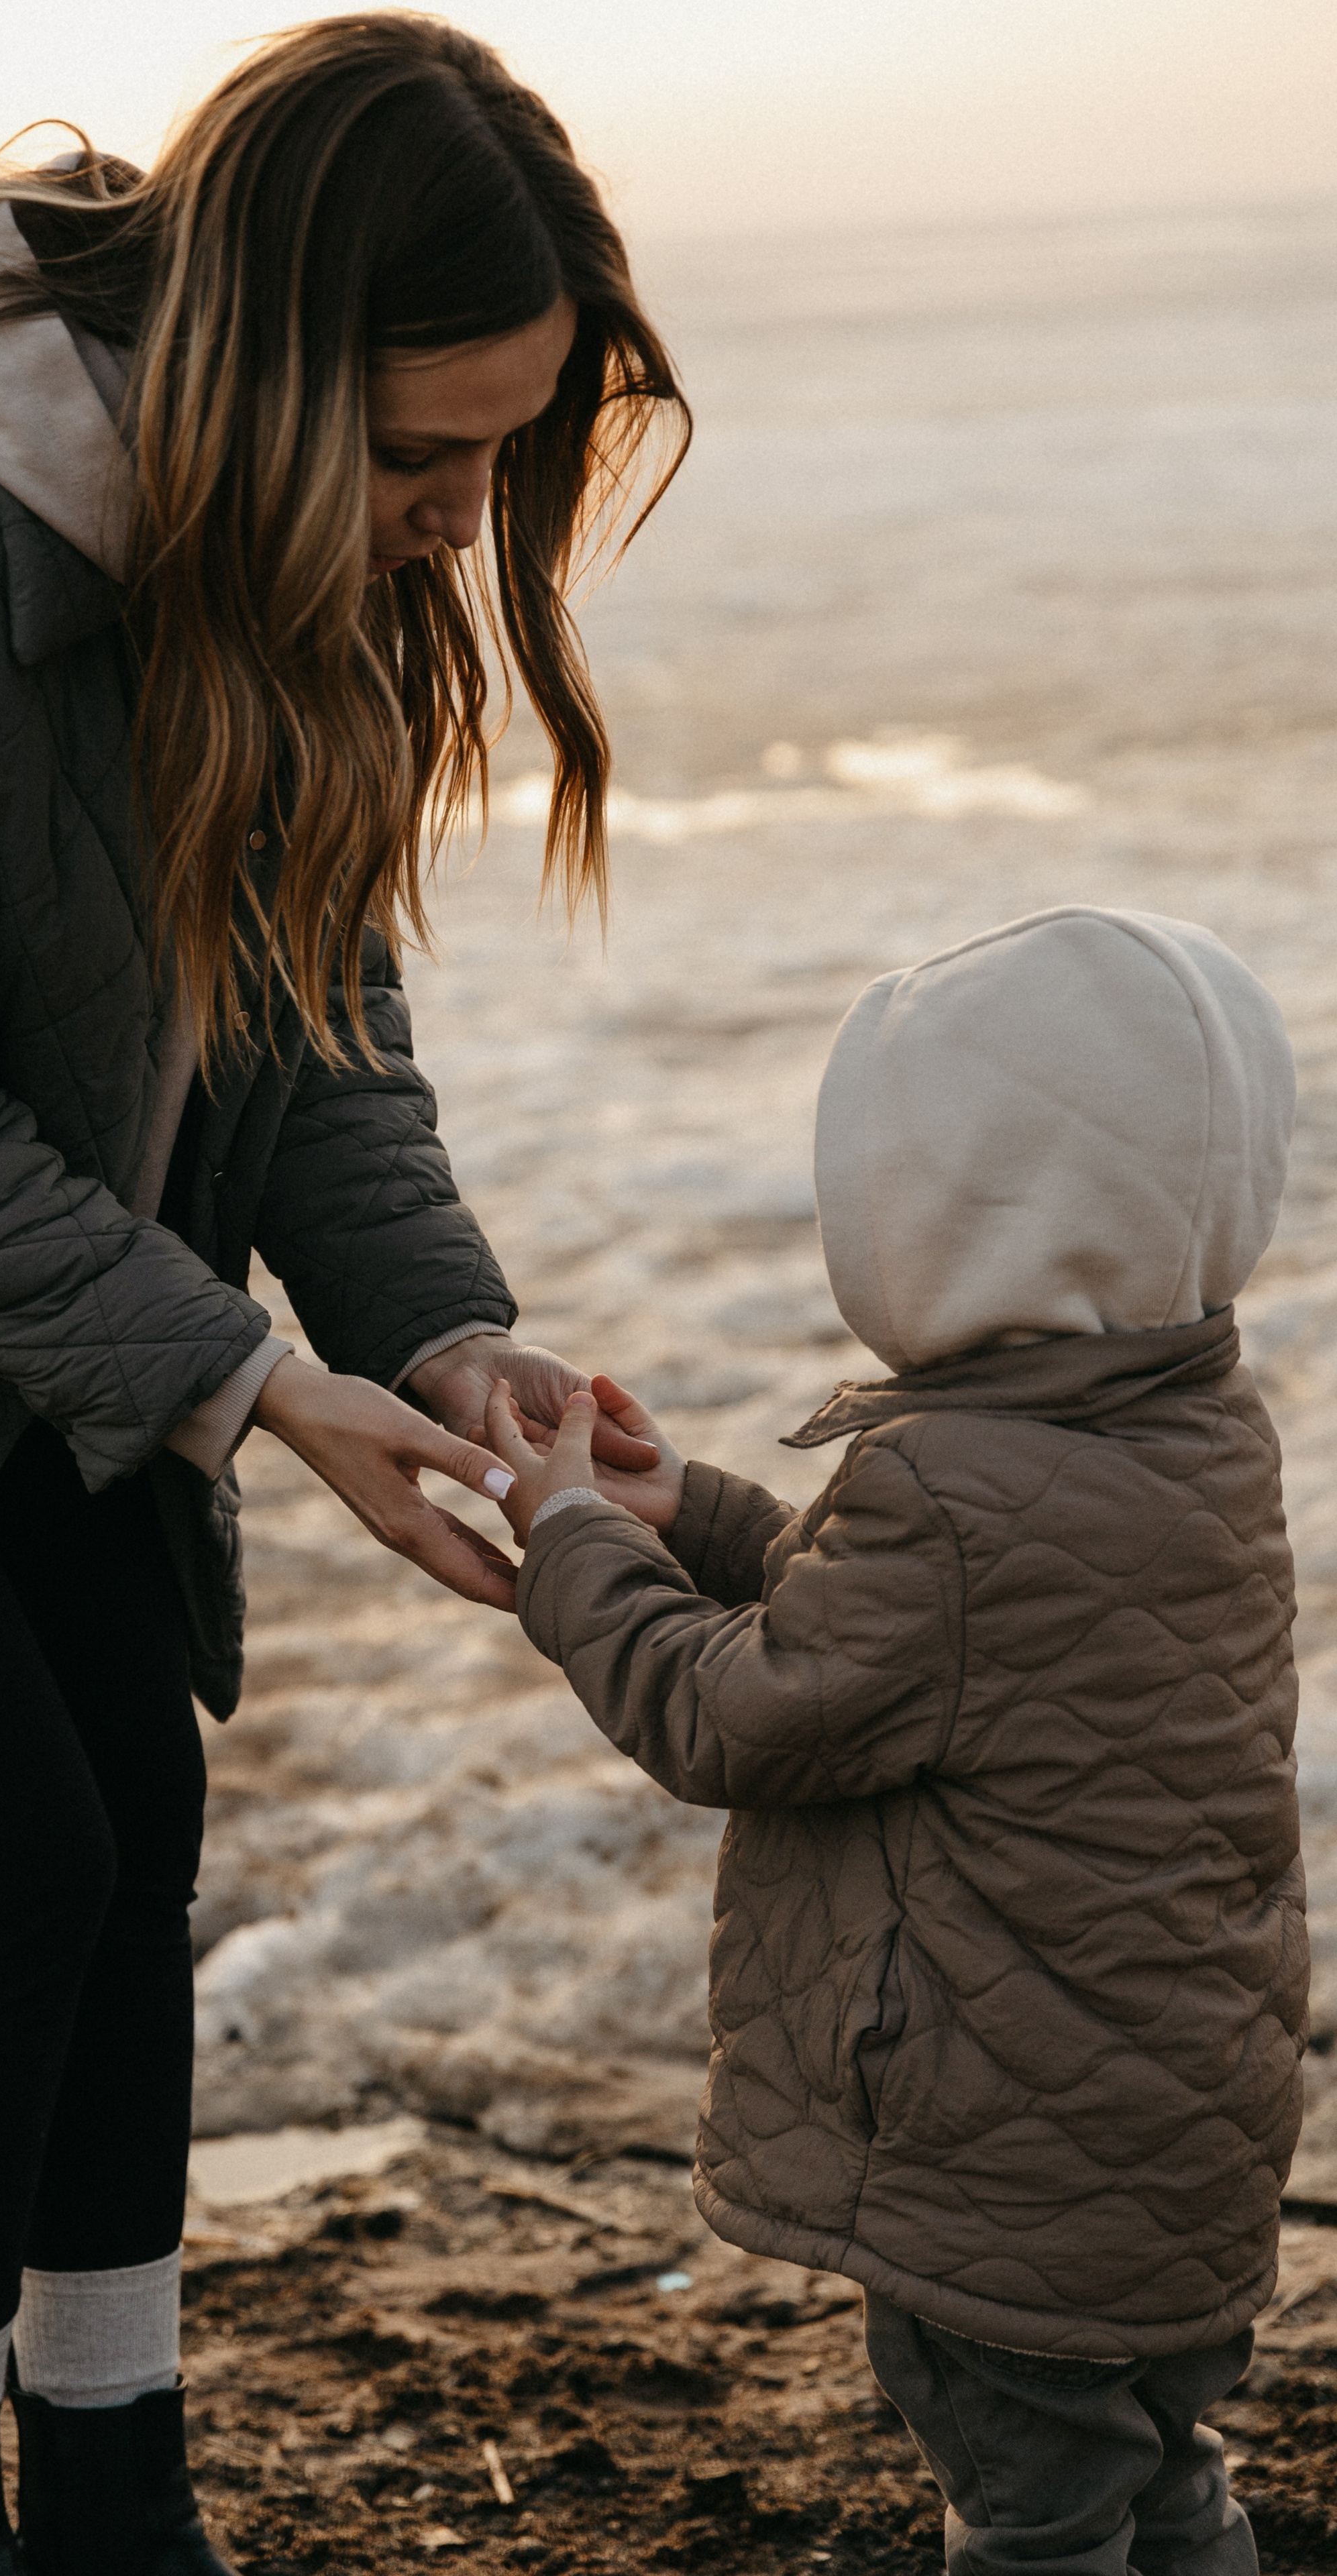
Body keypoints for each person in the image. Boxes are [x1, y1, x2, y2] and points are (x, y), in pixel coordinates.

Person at [0, 18, 687, 2572]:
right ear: (245, 371)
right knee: (16, 1863)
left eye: (503, 462)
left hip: (32, 1251)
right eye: (423, 454)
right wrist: (252, 1383)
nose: (462, 523)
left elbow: (311, 1006)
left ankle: (112, 2476)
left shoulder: (273, 544)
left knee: (141, 1830)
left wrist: (437, 1339)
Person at [483, 906, 1305, 2576]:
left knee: (1031, 2521)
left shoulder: (941, 1492)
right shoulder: (1198, 1434)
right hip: (1169, 2146)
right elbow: (931, 1639)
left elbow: (736, 1716)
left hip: (1001, 2174)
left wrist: (571, 1541)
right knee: (1158, 2477)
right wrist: (694, 1512)